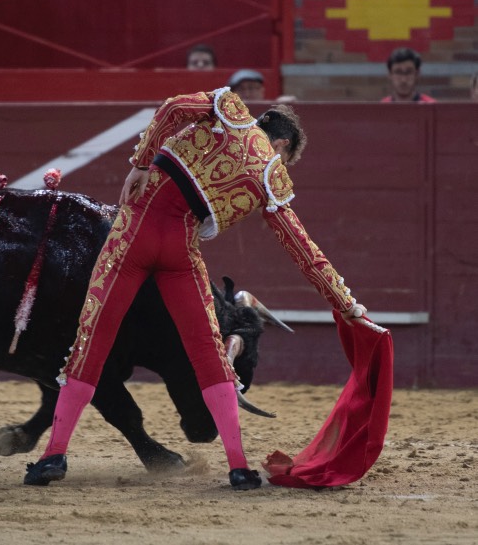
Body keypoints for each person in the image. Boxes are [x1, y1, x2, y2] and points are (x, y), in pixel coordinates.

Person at [23, 88, 367, 491]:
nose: (281, 163)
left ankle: (54, 456)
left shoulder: (230, 109)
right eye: (286, 158)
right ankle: (239, 468)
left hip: (134, 233)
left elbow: (172, 107)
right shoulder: (271, 175)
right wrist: (347, 304)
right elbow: (304, 250)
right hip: (181, 252)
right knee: (208, 353)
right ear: (282, 143)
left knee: (93, 340)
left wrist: (140, 163)